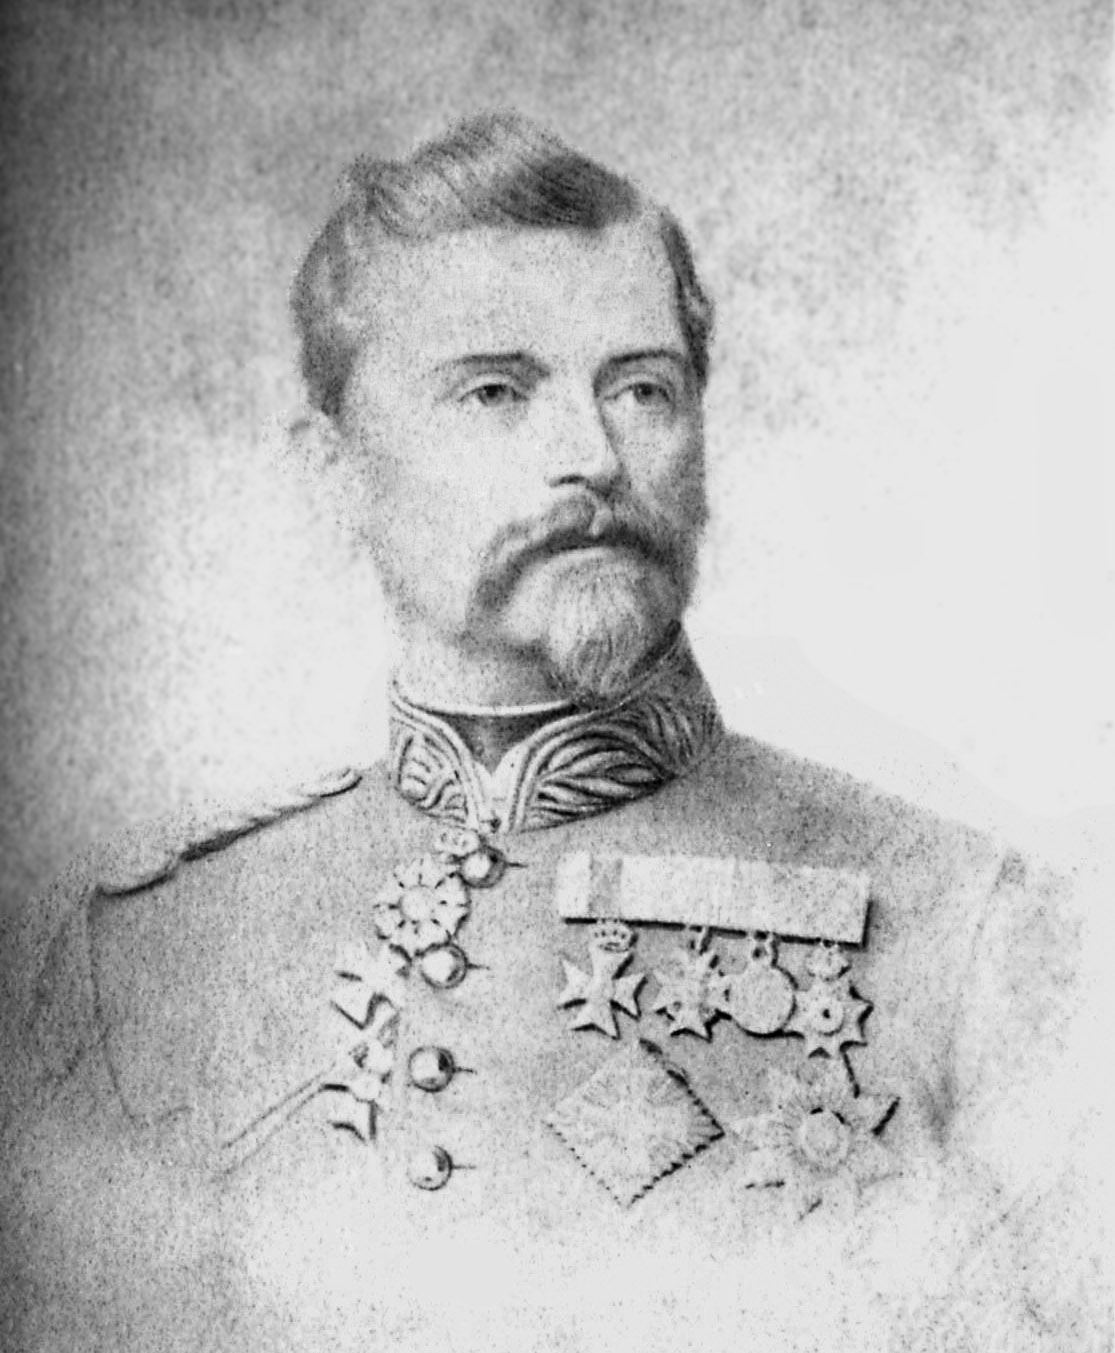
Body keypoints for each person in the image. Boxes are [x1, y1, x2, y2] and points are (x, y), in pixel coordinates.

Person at [0, 112, 1104, 1353]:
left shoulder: (967, 929)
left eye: (641, 389)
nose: (590, 457)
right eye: (493, 391)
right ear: (331, 474)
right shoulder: (143, 964)